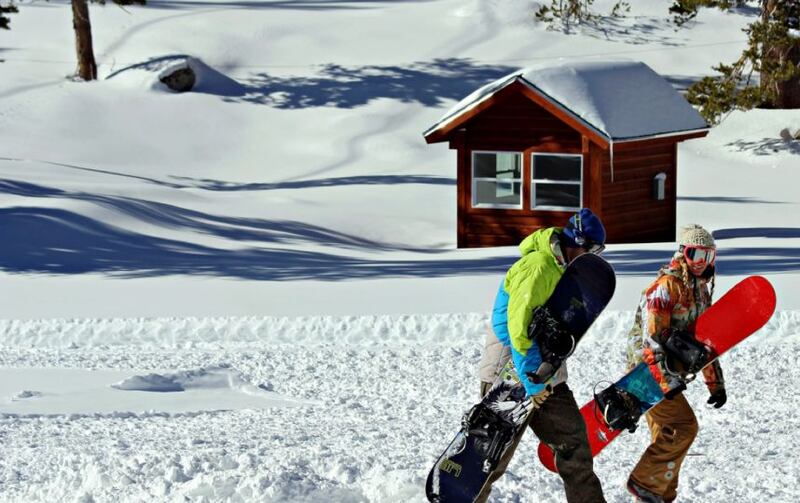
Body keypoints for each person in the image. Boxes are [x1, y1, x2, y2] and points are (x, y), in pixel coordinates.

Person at [475, 208, 607, 503]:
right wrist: (533, 382)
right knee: (490, 457)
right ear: (578, 243)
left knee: (574, 445)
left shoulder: (566, 271)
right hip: (509, 370)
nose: (594, 257)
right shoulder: (538, 267)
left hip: (545, 372)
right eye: (593, 250)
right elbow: (518, 329)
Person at [625, 224, 726, 503]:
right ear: (683, 253)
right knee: (683, 427)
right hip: (647, 374)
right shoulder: (665, 287)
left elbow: (704, 343)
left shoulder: (701, 291)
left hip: (669, 375)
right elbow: (652, 340)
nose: (701, 263)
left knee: (667, 439)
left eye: (708, 256)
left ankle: (657, 495)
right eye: (695, 255)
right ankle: (644, 483)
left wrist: (715, 384)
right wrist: (665, 382)